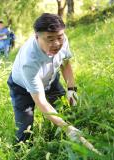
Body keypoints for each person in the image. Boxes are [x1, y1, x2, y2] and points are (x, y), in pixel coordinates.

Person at [7, 13, 80, 143]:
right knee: (25, 130)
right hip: (22, 88)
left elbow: (65, 63)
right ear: (37, 37)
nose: (57, 43)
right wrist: (67, 129)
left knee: (67, 111)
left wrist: (71, 90)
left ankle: (67, 137)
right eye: (50, 39)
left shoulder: (62, 39)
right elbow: (41, 102)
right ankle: (20, 153)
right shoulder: (29, 61)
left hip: (50, 79)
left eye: (59, 37)